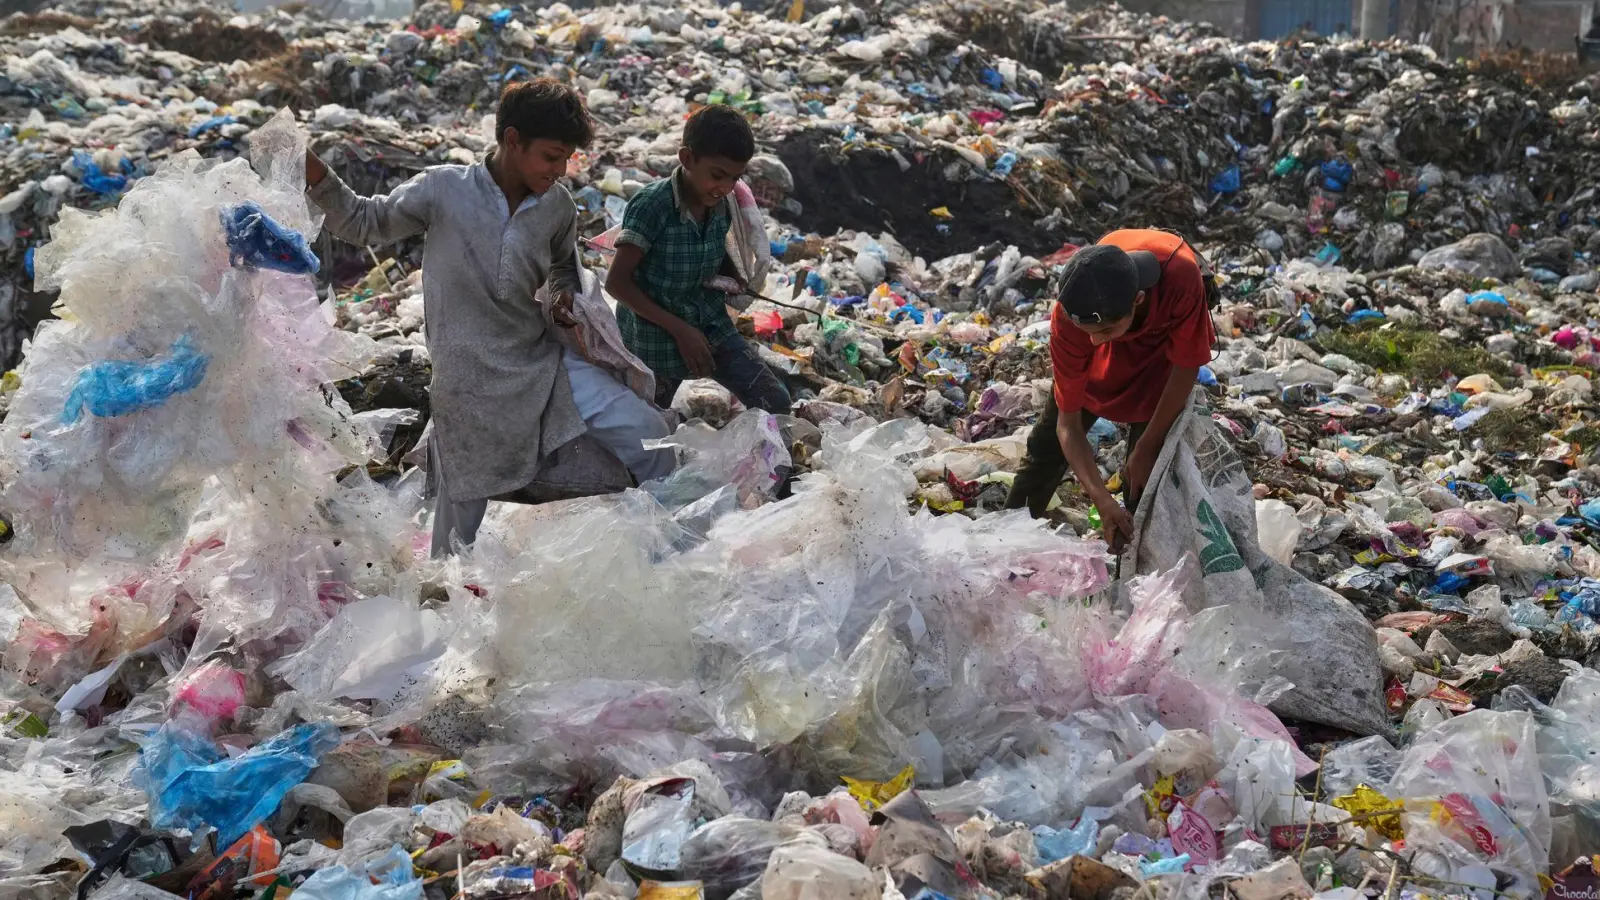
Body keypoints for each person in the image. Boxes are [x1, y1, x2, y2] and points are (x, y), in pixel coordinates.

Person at [302, 78, 677, 556]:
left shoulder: (557, 205)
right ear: (512, 139)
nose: (559, 170)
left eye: (566, 160)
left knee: (649, 435)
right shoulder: (443, 190)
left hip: (538, 365)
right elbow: (363, 222)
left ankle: (671, 551)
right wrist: (308, 166)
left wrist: (563, 296)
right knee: (456, 543)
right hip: (466, 382)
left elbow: (564, 265)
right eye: (550, 156)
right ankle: (443, 610)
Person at [1004, 230, 1216, 550]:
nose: (1096, 341)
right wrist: (1102, 500)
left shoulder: (1180, 278)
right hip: (1097, 370)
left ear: (1138, 300)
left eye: (1105, 330)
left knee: (1147, 476)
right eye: (1088, 332)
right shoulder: (1072, 318)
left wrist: (1146, 446)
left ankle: (1133, 565)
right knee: (1045, 448)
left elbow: (1185, 366)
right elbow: (1067, 425)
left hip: (1158, 358)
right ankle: (1005, 541)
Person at [605, 105, 792, 416]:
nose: (726, 187)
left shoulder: (721, 203)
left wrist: (734, 277)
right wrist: (681, 331)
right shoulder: (653, 206)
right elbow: (617, 283)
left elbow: (714, 253)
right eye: (717, 175)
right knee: (648, 430)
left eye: (735, 178)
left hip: (709, 325)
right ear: (687, 158)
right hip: (657, 341)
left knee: (776, 402)